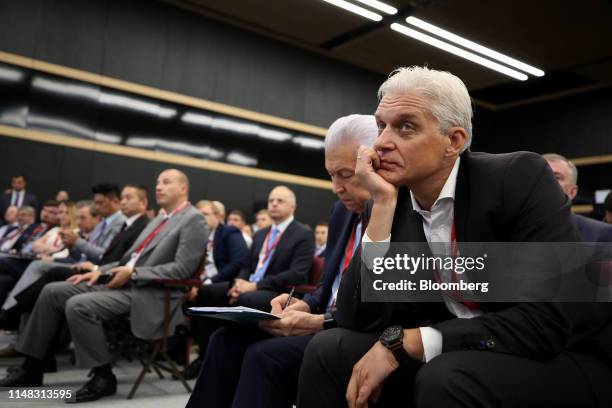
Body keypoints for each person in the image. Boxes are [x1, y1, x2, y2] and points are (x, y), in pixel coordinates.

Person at [297, 66, 612, 408]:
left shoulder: (518, 177)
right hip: (460, 349)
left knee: (447, 376)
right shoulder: (389, 200)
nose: (383, 142)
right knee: (330, 350)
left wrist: (410, 341)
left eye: (406, 126)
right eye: (381, 125)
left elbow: (547, 322)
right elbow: (355, 318)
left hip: (561, 354)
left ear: (454, 141)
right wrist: (383, 208)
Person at [187, 114, 377, 408]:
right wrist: (305, 304)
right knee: (225, 340)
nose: (336, 187)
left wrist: (320, 320)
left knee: (263, 356)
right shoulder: (341, 211)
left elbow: (382, 305)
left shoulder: (398, 213)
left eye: (346, 174)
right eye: (331, 175)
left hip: (352, 330)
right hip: (325, 317)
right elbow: (330, 284)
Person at [0, 169, 208, 404]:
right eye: (158, 182)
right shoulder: (160, 219)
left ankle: (103, 376)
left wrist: (135, 273)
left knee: (78, 305)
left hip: (151, 292)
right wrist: (100, 271)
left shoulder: (194, 219)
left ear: (183, 188)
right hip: (123, 282)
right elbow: (127, 260)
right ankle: (33, 367)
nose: (158, 187)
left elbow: (182, 269)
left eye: (166, 182)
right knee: (52, 291)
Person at [0, 186, 150, 331]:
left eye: (100, 203)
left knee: (46, 277)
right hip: (96, 269)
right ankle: (17, 325)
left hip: (106, 274)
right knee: (31, 277)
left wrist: (82, 251)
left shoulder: (125, 224)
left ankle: (10, 315)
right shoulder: (116, 223)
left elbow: (110, 257)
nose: (96, 207)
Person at [183, 200, 251, 378]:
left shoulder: (229, 232)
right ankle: (175, 350)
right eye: (198, 215)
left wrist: (207, 282)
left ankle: (204, 356)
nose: (201, 218)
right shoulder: (198, 236)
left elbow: (239, 261)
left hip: (225, 282)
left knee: (206, 293)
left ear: (218, 216)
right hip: (201, 282)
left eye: (205, 214)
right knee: (179, 293)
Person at [544, 153, 612, 242]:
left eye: (556, 177)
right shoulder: (520, 230)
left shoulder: (600, 234)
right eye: (539, 176)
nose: (545, 181)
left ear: (572, 192)